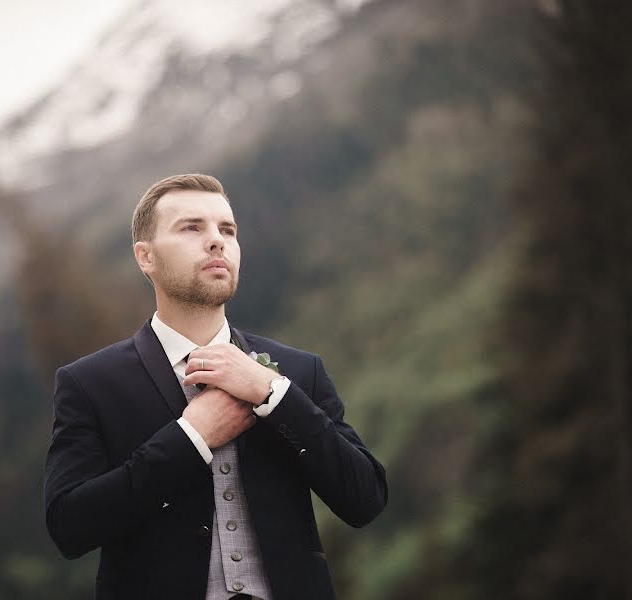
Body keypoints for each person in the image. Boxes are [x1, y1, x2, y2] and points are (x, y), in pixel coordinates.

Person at [44, 174, 387, 599]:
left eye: (227, 230)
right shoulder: (90, 383)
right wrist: (190, 438)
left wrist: (274, 396)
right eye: (192, 227)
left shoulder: (298, 372)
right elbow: (69, 526)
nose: (216, 241)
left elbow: (365, 499)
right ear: (145, 257)